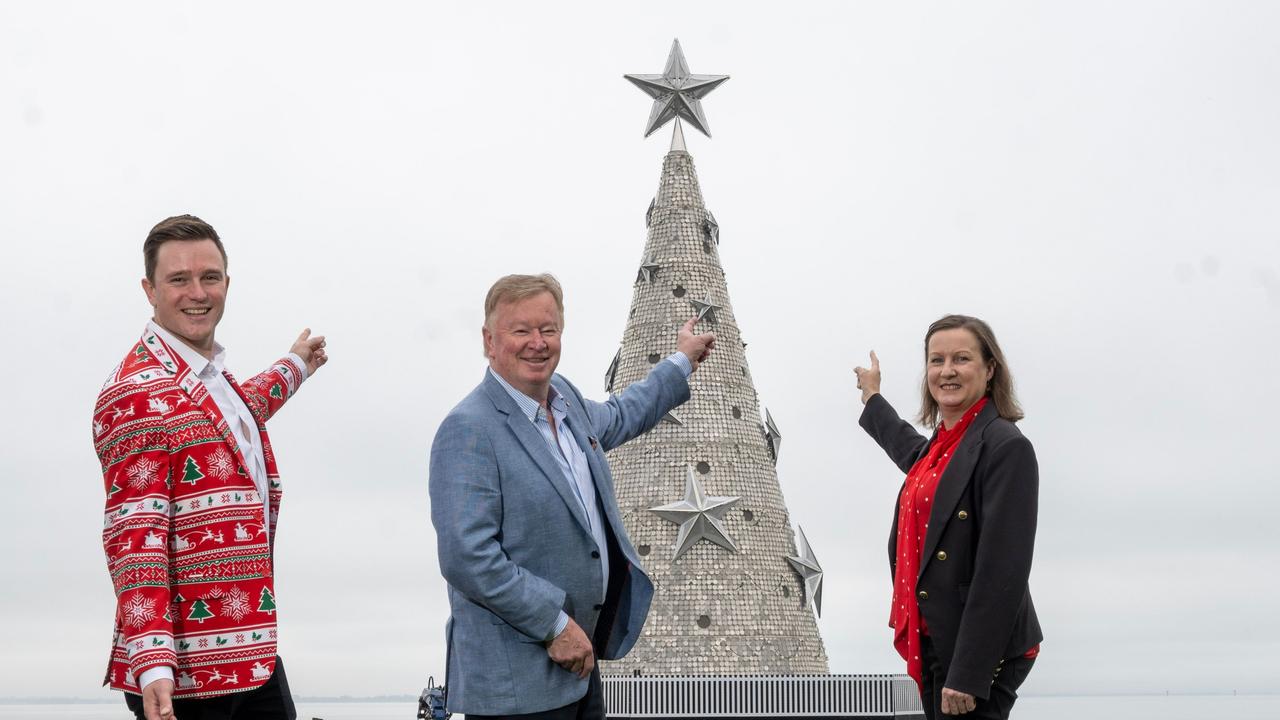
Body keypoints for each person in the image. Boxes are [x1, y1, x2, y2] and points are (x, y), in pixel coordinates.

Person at [430, 273, 715, 720]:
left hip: (579, 671)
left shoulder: (567, 403)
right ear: (489, 340)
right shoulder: (468, 428)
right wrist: (555, 624)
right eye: (520, 331)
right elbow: (467, 556)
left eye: (548, 329)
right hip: (517, 687)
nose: (537, 343)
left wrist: (681, 361)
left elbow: (622, 414)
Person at [93, 215, 327, 720]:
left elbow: (231, 418)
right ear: (149, 289)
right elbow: (135, 533)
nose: (197, 292)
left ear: (227, 283)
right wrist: (153, 662)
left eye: (210, 277)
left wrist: (296, 365)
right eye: (178, 279)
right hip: (186, 676)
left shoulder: (205, 376)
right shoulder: (134, 394)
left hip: (252, 655)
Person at [853, 315, 1042, 719]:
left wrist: (969, 673)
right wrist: (872, 398)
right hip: (940, 636)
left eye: (961, 358)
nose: (947, 371)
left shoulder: (1006, 447)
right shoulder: (941, 448)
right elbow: (908, 448)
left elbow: (1003, 569)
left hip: (977, 650)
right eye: (936, 360)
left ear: (990, 369)